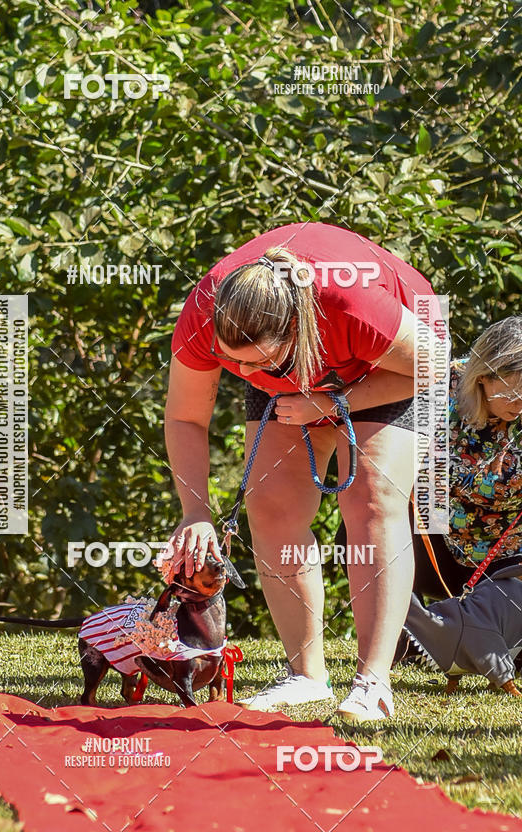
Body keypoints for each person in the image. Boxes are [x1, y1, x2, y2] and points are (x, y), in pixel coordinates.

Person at [164, 222, 444, 722]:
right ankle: (306, 676)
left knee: (372, 500)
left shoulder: (353, 305)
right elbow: (187, 416)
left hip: (396, 363)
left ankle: (373, 681)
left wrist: (332, 403)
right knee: (271, 505)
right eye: (235, 365)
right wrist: (195, 512)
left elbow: (438, 364)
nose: (246, 376)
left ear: (296, 327)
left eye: (257, 363)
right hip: (300, 373)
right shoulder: (207, 312)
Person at [410, 317, 522, 598]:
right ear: (482, 377)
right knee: (369, 518)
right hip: (436, 546)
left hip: (508, 558)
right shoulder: (442, 386)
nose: (520, 405)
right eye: (511, 394)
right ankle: (403, 633)